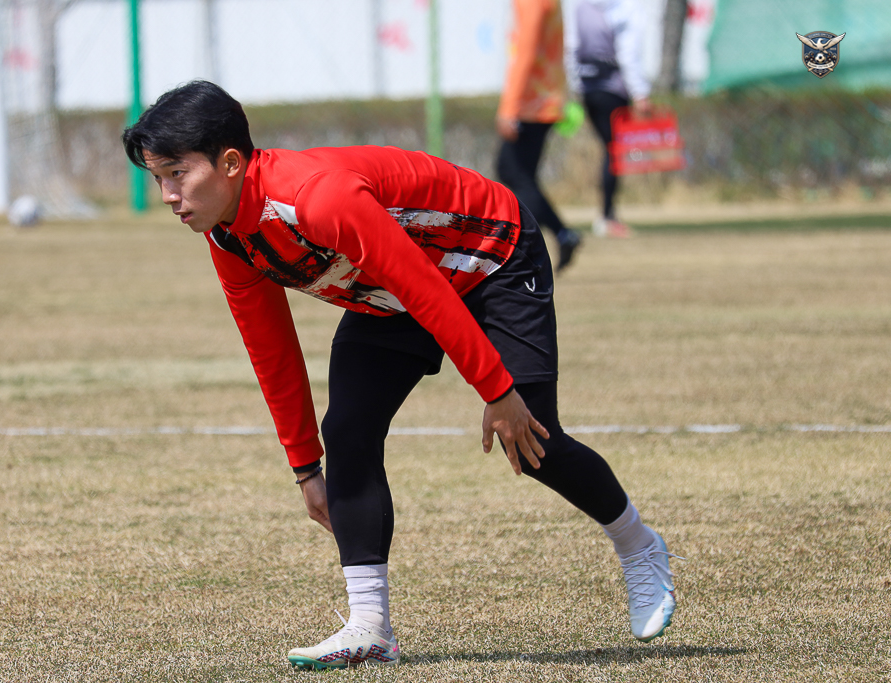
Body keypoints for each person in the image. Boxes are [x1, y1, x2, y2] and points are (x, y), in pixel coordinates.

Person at [122, 80, 681, 670]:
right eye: (158, 178)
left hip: (491, 254)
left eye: (177, 174)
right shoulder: (228, 235)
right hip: (393, 292)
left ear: (231, 163)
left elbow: (425, 288)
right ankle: (370, 627)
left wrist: (497, 391)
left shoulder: (317, 199)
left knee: (535, 441)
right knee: (348, 431)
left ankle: (639, 545)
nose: (168, 195)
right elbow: (271, 348)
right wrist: (306, 467)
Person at [496, 0, 583, 271]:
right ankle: (559, 235)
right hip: (544, 98)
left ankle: (537, 244)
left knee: (514, 173)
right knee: (519, 176)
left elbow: (527, 51)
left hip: (532, 102)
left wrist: (509, 108)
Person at [565, 0, 651, 238]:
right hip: (613, 90)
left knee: (609, 150)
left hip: (588, 88)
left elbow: (571, 48)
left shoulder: (581, 7)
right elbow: (628, 53)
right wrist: (640, 92)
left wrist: (574, 86)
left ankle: (607, 215)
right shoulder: (627, 8)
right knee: (614, 152)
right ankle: (607, 216)